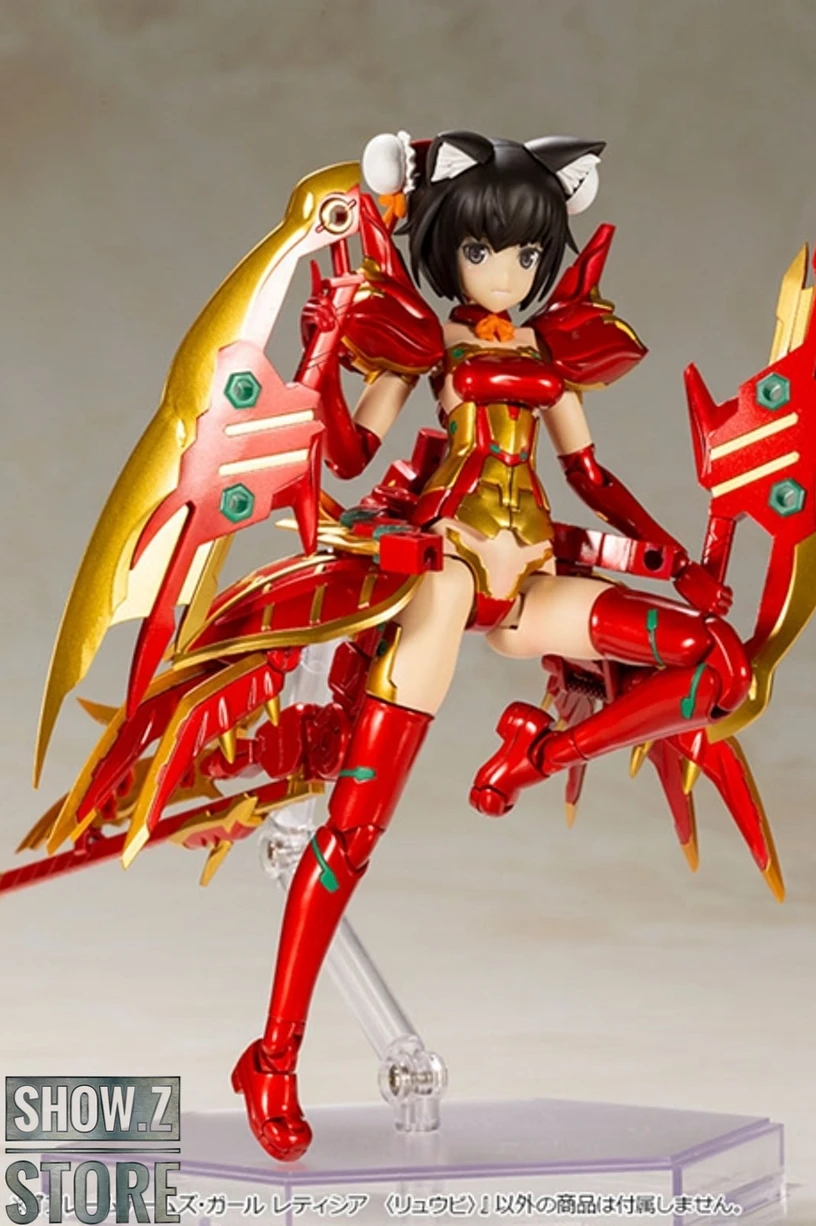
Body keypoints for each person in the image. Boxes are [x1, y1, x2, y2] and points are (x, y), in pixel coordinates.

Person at [231, 128, 751, 1161]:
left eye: (524, 253)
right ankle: (274, 1054)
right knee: (354, 829)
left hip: (528, 577)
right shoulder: (424, 346)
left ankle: (535, 754)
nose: (505, 273)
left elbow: (590, 479)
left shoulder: (552, 354)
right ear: (445, 247)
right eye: (481, 251)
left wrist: (671, 559)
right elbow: (347, 453)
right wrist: (324, 349)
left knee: (716, 661)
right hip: (444, 568)